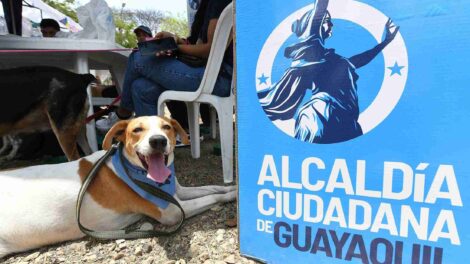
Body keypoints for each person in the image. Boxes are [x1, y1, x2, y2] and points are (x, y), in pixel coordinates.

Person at [258, 0, 398, 143]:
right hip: (321, 115)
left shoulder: (333, 59)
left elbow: (358, 61)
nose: (331, 24)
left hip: (346, 119)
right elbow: (320, 8)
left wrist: (386, 42)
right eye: (326, 21)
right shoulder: (312, 48)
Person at [95, 0, 233, 134]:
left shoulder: (220, 2)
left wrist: (176, 48)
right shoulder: (206, 5)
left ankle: (123, 113)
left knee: (137, 58)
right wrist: (174, 39)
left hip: (220, 77)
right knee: (141, 87)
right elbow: (195, 44)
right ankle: (152, 145)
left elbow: (210, 50)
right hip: (207, 72)